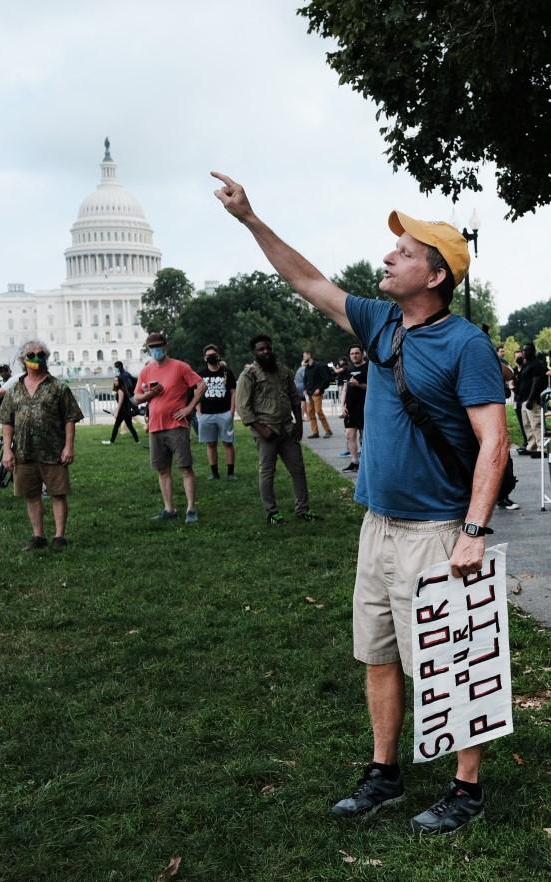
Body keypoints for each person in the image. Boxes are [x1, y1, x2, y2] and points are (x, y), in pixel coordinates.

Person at [214, 170, 508, 835]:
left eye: (403, 252)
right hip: (378, 525)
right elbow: (307, 281)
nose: (388, 257)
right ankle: (385, 773)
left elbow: (495, 443)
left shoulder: (467, 345)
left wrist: (473, 529)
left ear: (435, 277)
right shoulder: (379, 322)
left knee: (454, 659)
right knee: (377, 653)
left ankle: (466, 788)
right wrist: (252, 220)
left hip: (438, 531)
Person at [0, 339, 84, 551]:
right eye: (31, 355)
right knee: (31, 494)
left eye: (41, 355)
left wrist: (68, 446)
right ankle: (38, 536)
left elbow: (70, 419)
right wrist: (7, 450)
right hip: (24, 452)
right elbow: (7, 421)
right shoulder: (15, 389)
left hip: (53, 450)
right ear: (23, 360)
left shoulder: (58, 387)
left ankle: (59, 537)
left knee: (58, 493)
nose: (36, 358)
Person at [235, 334, 311, 525]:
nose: (266, 352)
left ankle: (303, 509)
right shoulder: (249, 374)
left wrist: (299, 425)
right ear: (254, 352)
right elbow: (243, 408)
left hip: (287, 428)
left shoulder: (283, 371)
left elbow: (295, 398)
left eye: (268, 348)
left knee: (298, 470)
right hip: (266, 431)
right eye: (261, 349)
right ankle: (272, 513)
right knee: (267, 472)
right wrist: (261, 429)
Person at [133, 332, 205, 524]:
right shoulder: (146, 371)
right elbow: (137, 397)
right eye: (152, 347)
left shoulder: (180, 367)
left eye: (159, 346)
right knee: (162, 470)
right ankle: (169, 508)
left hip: (176, 425)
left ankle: (191, 508)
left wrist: (189, 408)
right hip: (155, 426)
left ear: (166, 347)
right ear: (148, 350)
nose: (156, 350)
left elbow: (201, 385)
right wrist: (150, 395)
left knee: (185, 467)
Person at [197, 344, 238, 480]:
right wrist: (199, 412)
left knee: (228, 443)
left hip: (224, 413)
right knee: (211, 443)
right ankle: (214, 473)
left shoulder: (227, 372)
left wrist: (232, 411)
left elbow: (233, 392)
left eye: (213, 355)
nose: (211, 358)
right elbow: (196, 393)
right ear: (204, 358)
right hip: (206, 414)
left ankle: (230, 473)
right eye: (208, 356)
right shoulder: (201, 374)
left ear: (218, 356)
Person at [515, 344, 547, 457]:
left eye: (526, 350)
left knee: (536, 424)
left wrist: (531, 399)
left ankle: (542, 448)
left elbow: (536, 382)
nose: (524, 352)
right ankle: (532, 446)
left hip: (532, 399)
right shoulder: (526, 364)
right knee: (527, 425)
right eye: (523, 350)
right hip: (523, 399)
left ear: (533, 351)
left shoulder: (536, 365)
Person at [341, 344, 368, 472]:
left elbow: (374, 387)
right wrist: (342, 405)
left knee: (365, 438)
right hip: (350, 408)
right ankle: (355, 462)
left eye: (357, 353)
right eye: (352, 354)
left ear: (362, 354)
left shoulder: (369, 367)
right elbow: (345, 389)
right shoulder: (348, 369)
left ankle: (367, 463)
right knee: (349, 435)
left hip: (365, 407)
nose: (354, 356)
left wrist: (359, 385)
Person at [103, 360, 140, 445]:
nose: (114, 382)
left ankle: (111, 441)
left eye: (116, 381)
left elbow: (120, 402)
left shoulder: (121, 389)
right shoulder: (126, 376)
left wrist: (116, 411)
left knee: (117, 426)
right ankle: (137, 441)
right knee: (130, 426)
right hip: (126, 409)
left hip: (123, 410)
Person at [301, 351, 334, 437]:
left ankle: (328, 431)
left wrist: (320, 389)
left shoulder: (318, 366)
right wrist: (304, 389)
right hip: (309, 393)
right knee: (310, 412)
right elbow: (305, 379)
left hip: (317, 393)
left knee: (318, 411)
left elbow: (326, 378)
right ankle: (315, 432)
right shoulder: (307, 367)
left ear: (309, 355)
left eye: (304, 356)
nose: (303, 358)